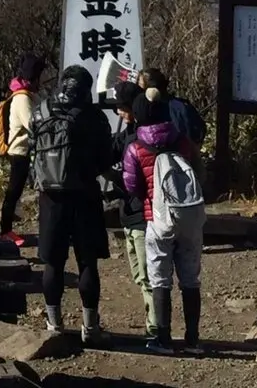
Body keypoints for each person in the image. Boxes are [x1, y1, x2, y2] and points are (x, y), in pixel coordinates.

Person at [32, 65, 113, 348]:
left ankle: (54, 324)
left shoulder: (41, 110)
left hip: (50, 197)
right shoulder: (93, 117)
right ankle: (90, 327)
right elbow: (105, 160)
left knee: (53, 262)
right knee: (87, 262)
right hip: (85, 196)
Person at [123, 88, 205, 356]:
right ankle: (193, 339)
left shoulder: (136, 147)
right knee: (190, 279)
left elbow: (132, 185)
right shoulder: (182, 140)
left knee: (160, 279)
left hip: (156, 219)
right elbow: (198, 170)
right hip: (189, 216)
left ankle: (164, 339)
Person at [110, 81, 156, 339]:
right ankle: (154, 324)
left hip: (142, 214)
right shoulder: (129, 132)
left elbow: (134, 180)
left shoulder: (142, 137)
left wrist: (113, 178)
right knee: (140, 276)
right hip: (129, 213)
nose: (118, 112)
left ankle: (156, 329)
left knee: (148, 276)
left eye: (121, 107)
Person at [0, 52, 46, 247]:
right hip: (20, 151)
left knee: (17, 190)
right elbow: (32, 124)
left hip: (27, 150)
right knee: (14, 190)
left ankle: (7, 227)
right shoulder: (22, 98)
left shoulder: (28, 95)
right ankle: (5, 230)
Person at [137, 68, 207, 149]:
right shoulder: (182, 106)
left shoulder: (151, 113)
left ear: (151, 91)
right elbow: (199, 132)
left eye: (142, 90)